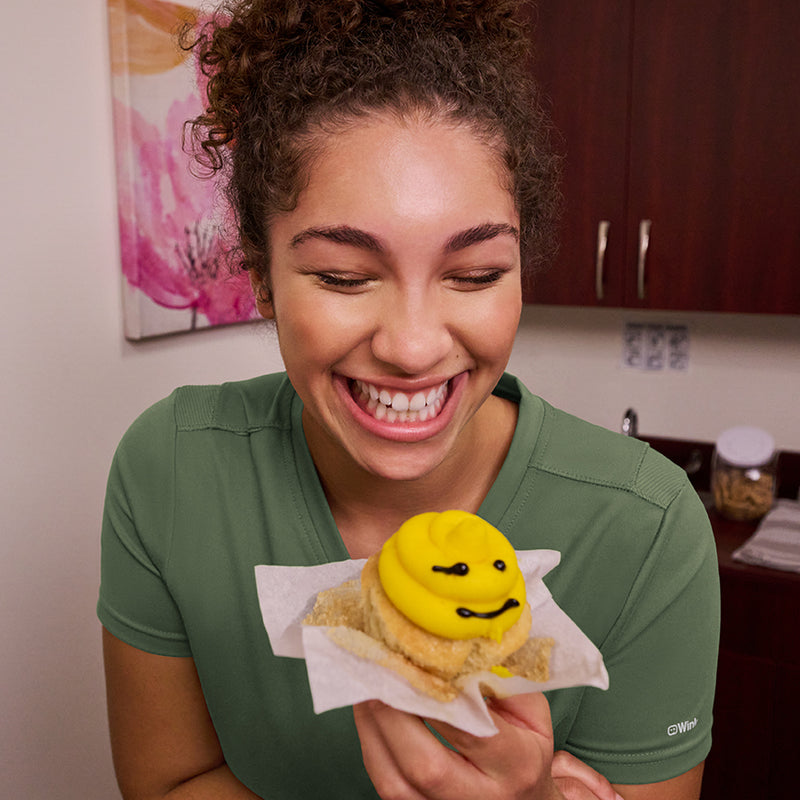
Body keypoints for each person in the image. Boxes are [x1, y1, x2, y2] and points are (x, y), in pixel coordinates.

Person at [98, 1, 720, 798]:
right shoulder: (170, 469)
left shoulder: (647, 528)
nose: (415, 345)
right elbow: (167, 781)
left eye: (475, 274)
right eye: (344, 277)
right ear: (260, 277)